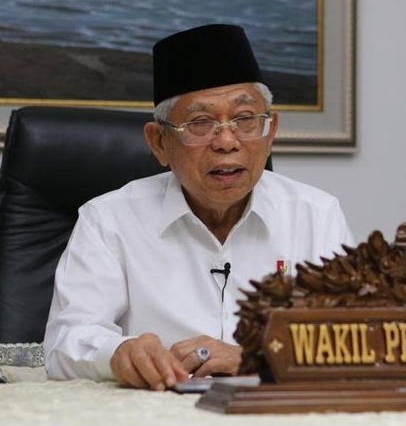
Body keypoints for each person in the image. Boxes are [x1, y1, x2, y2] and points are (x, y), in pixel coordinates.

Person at [43, 24, 354, 391]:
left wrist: (256, 359)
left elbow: (354, 339)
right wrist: (118, 353)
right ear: (159, 142)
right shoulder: (108, 220)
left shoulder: (316, 215)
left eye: (245, 120)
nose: (226, 141)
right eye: (201, 123)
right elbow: (65, 342)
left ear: (270, 132)